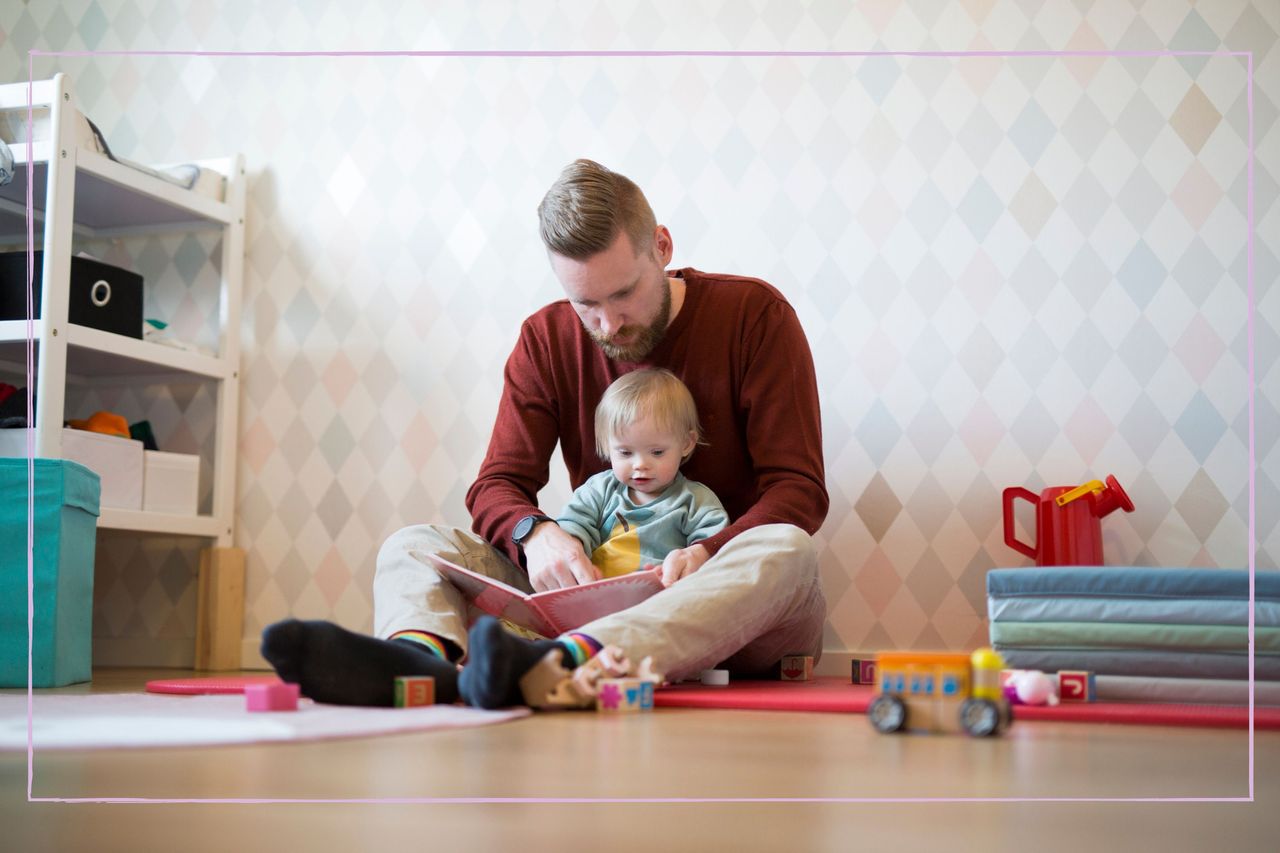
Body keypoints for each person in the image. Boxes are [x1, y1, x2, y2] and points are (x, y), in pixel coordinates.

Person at [261, 158, 828, 709]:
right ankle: (419, 662)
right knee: (412, 544)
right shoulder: (546, 338)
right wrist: (537, 534)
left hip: (727, 607)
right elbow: (497, 485)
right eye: (586, 303)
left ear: (662, 246)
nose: (608, 324)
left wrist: (707, 551)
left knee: (787, 549)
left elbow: (797, 491)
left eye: (624, 293)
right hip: (591, 597)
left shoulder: (755, 315)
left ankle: (566, 664)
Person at [556, 367, 728, 583]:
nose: (640, 465)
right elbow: (572, 528)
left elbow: (715, 546)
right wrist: (573, 557)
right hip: (596, 591)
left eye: (657, 452)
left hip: (663, 594)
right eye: (625, 452)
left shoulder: (695, 501)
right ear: (608, 447)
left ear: (686, 444)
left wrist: (689, 565)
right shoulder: (598, 491)